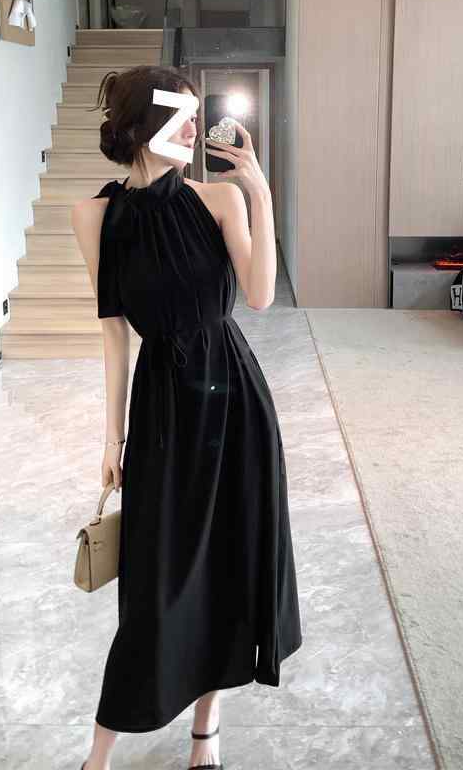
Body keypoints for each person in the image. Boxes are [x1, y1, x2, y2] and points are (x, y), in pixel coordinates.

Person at [71, 65, 302, 770]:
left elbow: (259, 295)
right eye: (185, 114)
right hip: (163, 407)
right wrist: (111, 440)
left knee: (228, 564)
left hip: (234, 401)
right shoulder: (95, 216)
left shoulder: (220, 199)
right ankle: (98, 756)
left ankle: (207, 734)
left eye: (199, 114)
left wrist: (259, 189)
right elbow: (115, 334)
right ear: (147, 123)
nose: (198, 127)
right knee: (153, 582)